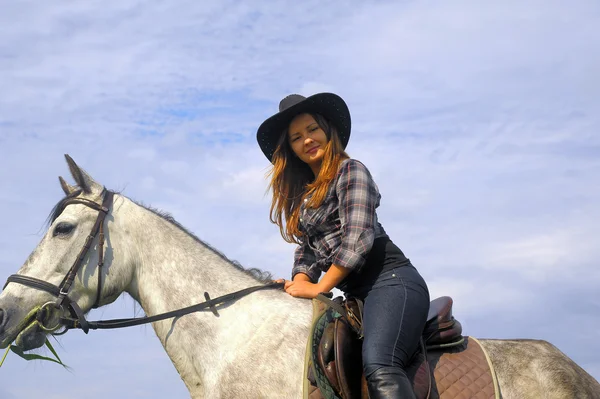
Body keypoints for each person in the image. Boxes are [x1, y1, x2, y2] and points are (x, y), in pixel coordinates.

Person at [256, 93, 430, 398]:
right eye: (296, 138)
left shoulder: (352, 172)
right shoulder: (306, 199)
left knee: (381, 364)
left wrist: (319, 287)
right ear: (291, 150)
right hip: (356, 294)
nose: (307, 140)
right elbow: (307, 251)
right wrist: (298, 282)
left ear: (327, 132)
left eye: (312, 130)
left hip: (391, 281)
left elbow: (358, 238)